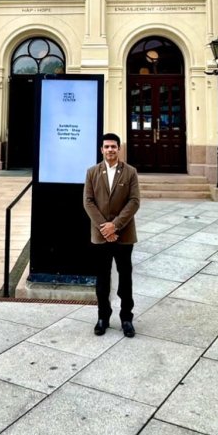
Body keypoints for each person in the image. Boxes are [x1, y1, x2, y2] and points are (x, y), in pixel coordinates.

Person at [83, 133, 140, 337]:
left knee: (125, 279)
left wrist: (114, 226)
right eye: (106, 147)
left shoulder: (130, 172)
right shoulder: (92, 172)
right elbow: (88, 201)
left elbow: (134, 202)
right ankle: (103, 317)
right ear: (101, 150)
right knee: (102, 279)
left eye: (113, 147)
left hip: (124, 236)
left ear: (119, 149)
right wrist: (103, 228)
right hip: (100, 237)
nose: (110, 150)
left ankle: (126, 319)